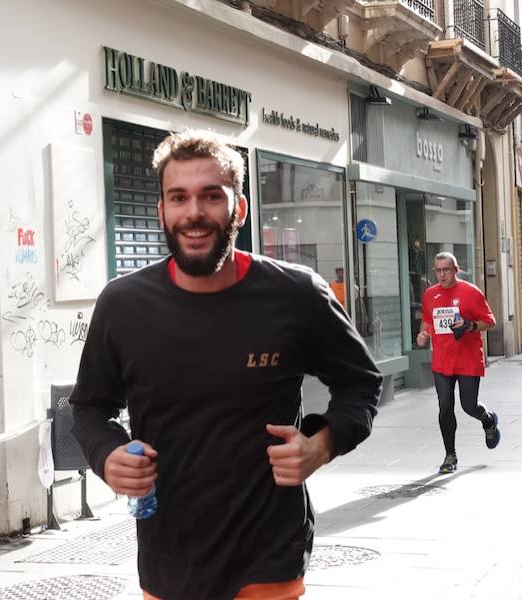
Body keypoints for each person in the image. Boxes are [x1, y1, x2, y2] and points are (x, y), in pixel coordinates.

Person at [69, 130, 382, 600]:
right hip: (169, 561)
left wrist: (323, 443)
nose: (194, 212)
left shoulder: (296, 294)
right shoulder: (123, 304)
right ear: (162, 211)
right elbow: (90, 408)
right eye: (179, 197)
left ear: (239, 209)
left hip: (268, 558)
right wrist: (107, 456)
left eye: (211, 196)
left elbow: (361, 384)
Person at [416, 252, 500, 475]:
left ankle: (488, 420)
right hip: (442, 361)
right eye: (438, 270)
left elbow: (490, 323)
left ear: (456, 269)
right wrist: (422, 335)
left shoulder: (471, 292)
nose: (442, 274)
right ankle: (450, 455)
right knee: (445, 407)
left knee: (469, 406)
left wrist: (470, 326)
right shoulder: (430, 294)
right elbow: (427, 321)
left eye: (446, 269)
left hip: (467, 358)